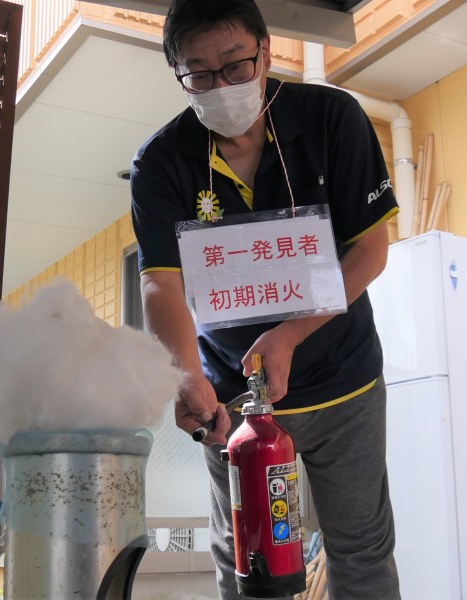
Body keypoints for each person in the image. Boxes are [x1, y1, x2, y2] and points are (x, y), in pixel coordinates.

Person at [130, 0, 401, 598]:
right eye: (200, 74)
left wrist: (289, 334)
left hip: (343, 383)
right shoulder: (161, 161)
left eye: (235, 65)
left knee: (360, 549)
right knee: (245, 557)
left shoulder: (331, 119)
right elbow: (160, 282)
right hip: (232, 401)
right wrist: (186, 375)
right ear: (178, 73)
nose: (221, 86)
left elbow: (369, 251)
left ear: (266, 51)